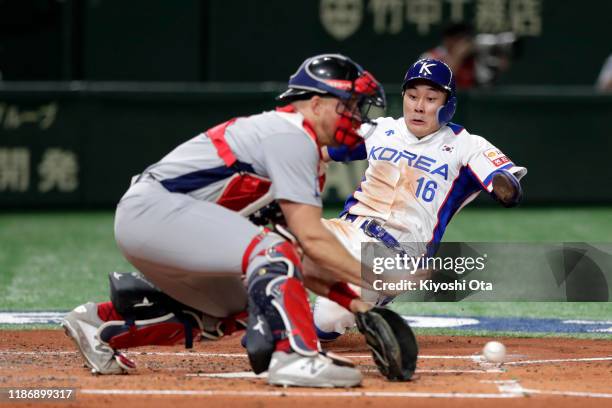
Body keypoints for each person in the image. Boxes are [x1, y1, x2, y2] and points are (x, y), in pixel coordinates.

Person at [61, 54, 386, 388]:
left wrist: (357, 304)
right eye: (349, 105)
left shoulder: (303, 149)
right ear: (316, 104)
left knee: (239, 307)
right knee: (272, 252)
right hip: (152, 212)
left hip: (165, 222)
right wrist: (377, 277)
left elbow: (301, 253)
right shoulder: (290, 136)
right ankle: (295, 357)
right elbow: (312, 238)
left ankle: (101, 325)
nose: (356, 117)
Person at [309, 58, 527, 341]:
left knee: (329, 317)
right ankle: (268, 322)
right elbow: (321, 149)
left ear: (448, 104)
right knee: (269, 241)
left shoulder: (467, 145)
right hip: (346, 228)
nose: (419, 106)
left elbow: (509, 189)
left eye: (431, 98)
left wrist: (502, 185)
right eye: (412, 96)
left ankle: (346, 313)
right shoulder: (381, 129)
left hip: (397, 252)